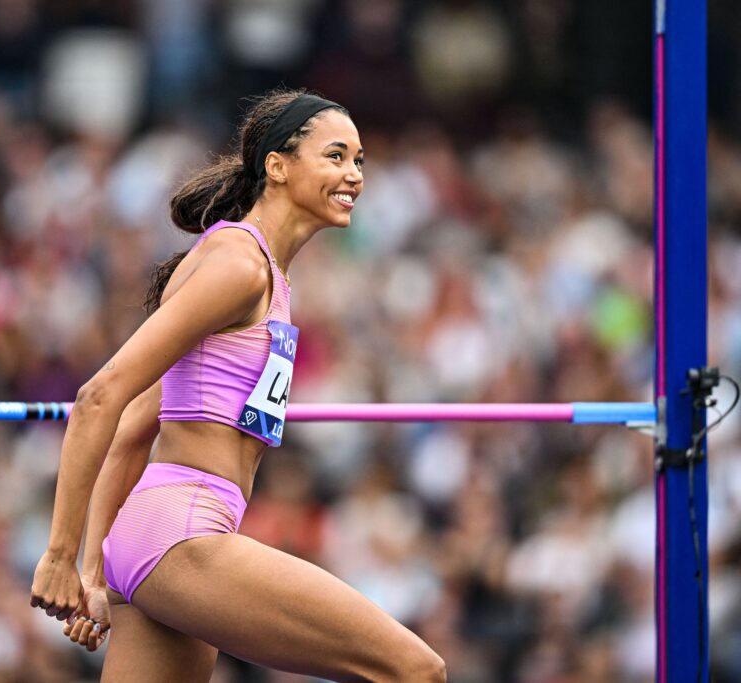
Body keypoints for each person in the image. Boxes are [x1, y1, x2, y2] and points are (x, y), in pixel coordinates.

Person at [30, 89, 446, 682]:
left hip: (158, 536)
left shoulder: (259, 274)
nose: (353, 174)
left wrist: (97, 569)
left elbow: (136, 427)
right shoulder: (239, 265)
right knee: (416, 671)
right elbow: (100, 397)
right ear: (277, 166)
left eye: (359, 160)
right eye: (335, 156)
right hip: (181, 533)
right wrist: (61, 556)